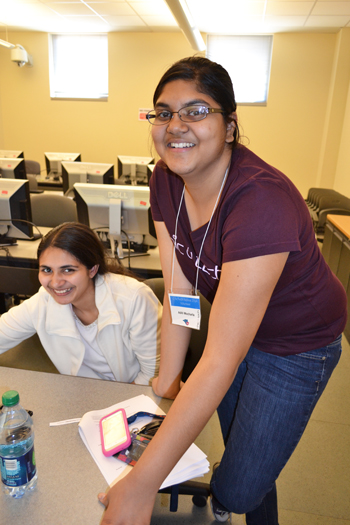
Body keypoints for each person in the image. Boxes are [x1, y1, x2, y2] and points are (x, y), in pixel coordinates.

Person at [98, 57, 347, 524]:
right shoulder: (165, 179)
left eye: (196, 111)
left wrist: (140, 484)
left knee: (235, 484)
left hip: (299, 343)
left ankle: (234, 501)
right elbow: (180, 292)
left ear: (230, 127)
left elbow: (218, 360)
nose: (176, 125)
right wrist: (168, 380)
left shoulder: (260, 201)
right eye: (164, 112)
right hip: (238, 326)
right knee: (245, 450)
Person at [0, 222, 161, 385]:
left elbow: (153, 374)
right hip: (84, 394)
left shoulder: (133, 298)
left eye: (68, 270)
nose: (55, 283)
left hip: (136, 395)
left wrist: (119, 405)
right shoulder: (43, 301)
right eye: (47, 270)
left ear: (92, 270)